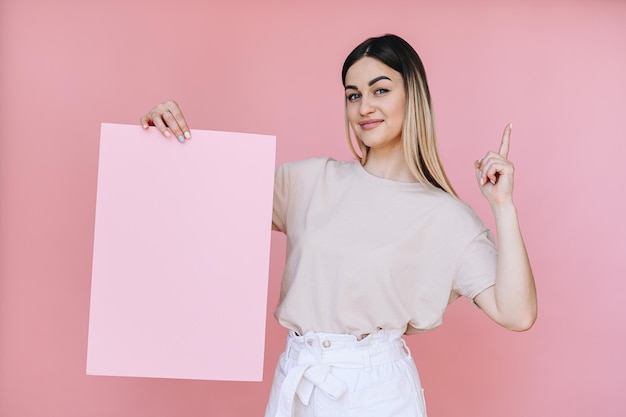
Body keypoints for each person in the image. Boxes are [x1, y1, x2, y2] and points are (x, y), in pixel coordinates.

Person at [140, 34, 537, 417]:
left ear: (412, 96)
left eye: (380, 90)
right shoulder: (307, 181)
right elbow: (198, 210)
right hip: (299, 378)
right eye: (353, 94)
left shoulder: (444, 215)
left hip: (378, 393)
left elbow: (516, 314)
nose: (364, 106)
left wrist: (503, 206)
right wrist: (166, 142)